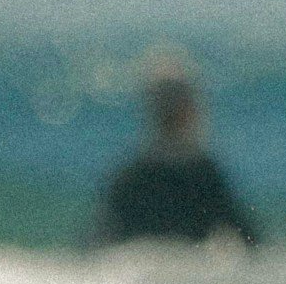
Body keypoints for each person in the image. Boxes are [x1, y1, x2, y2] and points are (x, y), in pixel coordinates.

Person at [95, 67, 262, 247]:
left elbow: (99, 242)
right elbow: (249, 241)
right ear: (188, 111)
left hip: (140, 270)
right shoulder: (204, 175)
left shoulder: (130, 177)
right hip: (187, 272)